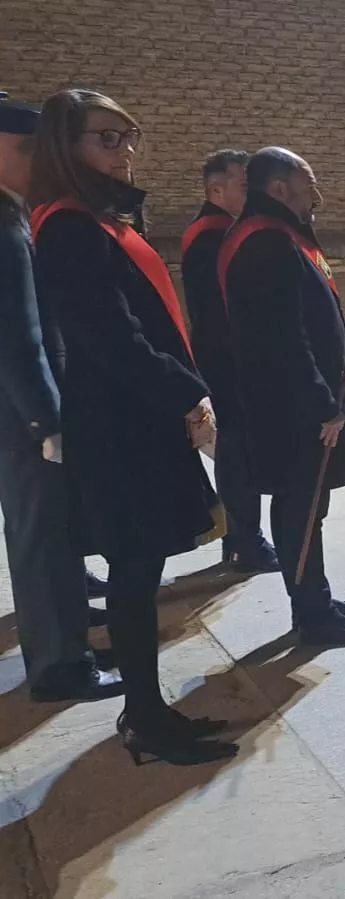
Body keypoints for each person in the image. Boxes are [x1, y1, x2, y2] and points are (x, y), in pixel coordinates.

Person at [29, 89, 235, 765]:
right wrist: (188, 395)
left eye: (127, 137)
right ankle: (144, 715)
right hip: (121, 425)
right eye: (105, 139)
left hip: (136, 417)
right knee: (133, 569)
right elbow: (109, 339)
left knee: (140, 568)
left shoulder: (98, 218)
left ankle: (145, 708)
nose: (124, 152)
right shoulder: (66, 225)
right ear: (66, 146)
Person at [220, 148, 345, 646]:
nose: (318, 194)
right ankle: (313, 617)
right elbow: (282, 339)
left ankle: (316, 596)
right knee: (302, 506)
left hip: (293, 402)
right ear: (279, 189)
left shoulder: (278, 236)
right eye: (309, 182)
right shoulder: (265, 242)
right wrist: (322, 406)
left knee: (305, 506)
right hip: (293, 408)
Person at [0, 93, 118, 703]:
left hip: (20, 411)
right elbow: (18, 336)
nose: (35, 160)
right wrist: (48, 418)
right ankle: (58, 667)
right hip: (25, 417)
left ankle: (66, 643)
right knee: (44, 539)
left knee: (49, 534)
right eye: (23, 149)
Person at [180, 149, 278, 574]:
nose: (251, 190)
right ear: (215, 190)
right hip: (228, 359)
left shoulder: (219, 231)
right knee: (237, 452)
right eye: (243, 182)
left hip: (227, 357)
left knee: (240, 450)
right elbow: (222, 310)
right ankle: (243, 542)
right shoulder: (212, 235)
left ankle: (242, 539)